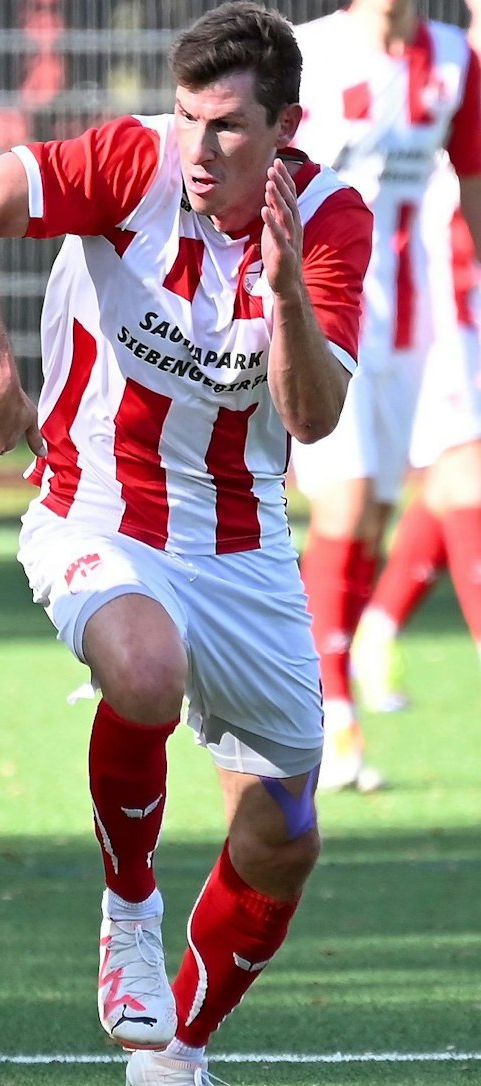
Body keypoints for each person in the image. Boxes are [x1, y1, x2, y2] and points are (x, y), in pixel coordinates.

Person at [0, 3, 370, 1086]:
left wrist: (282, 293)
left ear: (283, 128)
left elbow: (309, 419)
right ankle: (126, 909)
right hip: (93, 510)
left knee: (284, 829)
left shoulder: (329, 218)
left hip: (242, 538)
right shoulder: (128, 161)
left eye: (222, 128)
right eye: (185, 119)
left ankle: (175, 1052)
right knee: (143, 667)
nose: (196, 150)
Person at [286, 0, 481, 790]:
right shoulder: (310, 54)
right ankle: (329, 718)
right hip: (327, 309)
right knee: (348, 500)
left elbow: (469, 187)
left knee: (375, 513)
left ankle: (342, 666)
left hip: (418, 324)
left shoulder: (455, 59)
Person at [352, 2, 481, 713]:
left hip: (457, 293)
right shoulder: (448, 64)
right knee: (464, 470)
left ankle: (376, 624)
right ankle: (355, 647)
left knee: (451, 476)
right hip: (442, 295)